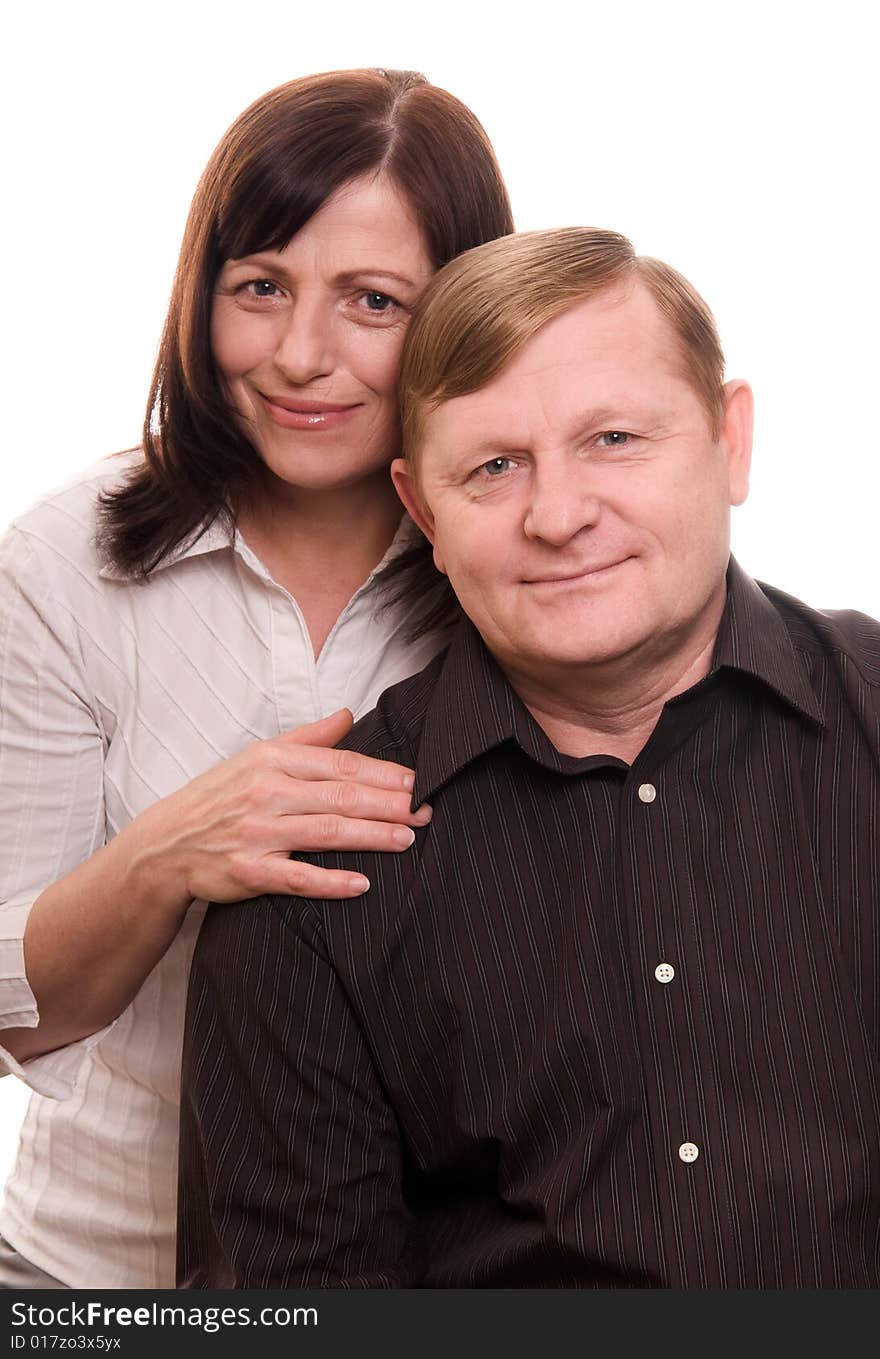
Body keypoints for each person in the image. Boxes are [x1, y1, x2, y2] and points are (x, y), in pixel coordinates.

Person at [178, 225, 880, 1289]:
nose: (557, 517)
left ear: (729, 442)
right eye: (495, 467)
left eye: (612, 441)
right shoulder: (307, 865)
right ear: (423, 509)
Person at [0, 67, 513, 1290]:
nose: (299, 355)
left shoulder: (523, 566)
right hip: (92, 1272)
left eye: (372, 302)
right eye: (261, 288)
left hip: (415, 1276)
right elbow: (17, 1012)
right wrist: (172, 851)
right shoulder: (65, 562)